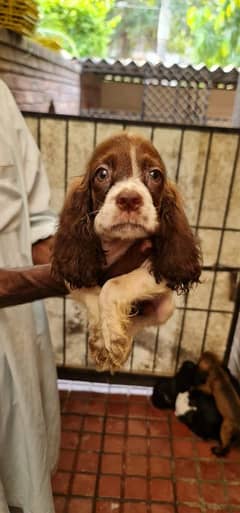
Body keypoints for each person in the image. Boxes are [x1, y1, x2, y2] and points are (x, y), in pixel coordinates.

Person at [0, 79, 61, 513]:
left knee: (24, 463)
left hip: (18, 330)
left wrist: (103, 269)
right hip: (17, 299)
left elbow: (38, 220)